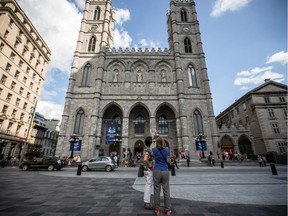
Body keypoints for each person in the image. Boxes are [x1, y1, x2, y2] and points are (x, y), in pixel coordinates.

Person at [153, 136, 171, 216]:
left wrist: (154, 138)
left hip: (157, 170)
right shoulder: (167, 149)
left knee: (157, 190)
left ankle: (157, 210)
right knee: (166, 190)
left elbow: (152, 147)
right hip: (165, 170)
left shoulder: (155, 150)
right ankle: (167, 210)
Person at [143, 136, 154, 210]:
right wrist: (150, 166)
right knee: (148, 185)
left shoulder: (145, 148)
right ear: (151, 143)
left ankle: (146, 201)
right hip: (148, 170)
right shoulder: (148, 150)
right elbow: (145, 159)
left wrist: (154, 135)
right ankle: (147, 202)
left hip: (145, 169)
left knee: (147, 184)